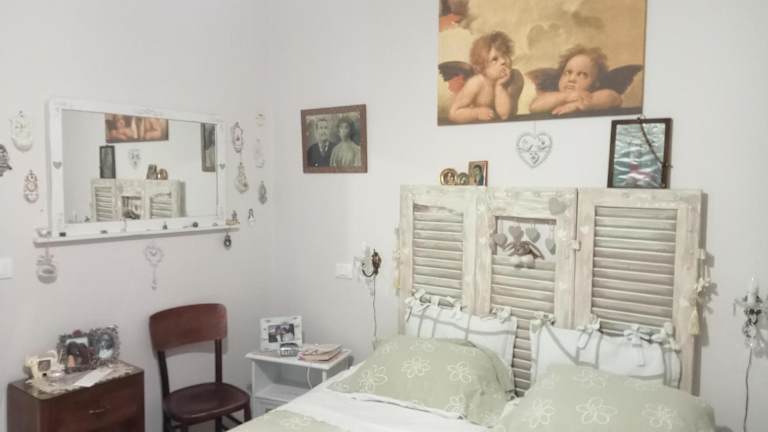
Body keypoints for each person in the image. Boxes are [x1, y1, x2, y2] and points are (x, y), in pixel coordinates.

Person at [448, 31, 524, 123]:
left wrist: (500, 86)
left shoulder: (515, 78)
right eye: (495, 59)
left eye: (505, 55)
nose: (503, 61)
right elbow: (453, 113)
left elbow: (505, 115)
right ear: (482, 67)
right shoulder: (476, 83)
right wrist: (476, 113)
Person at [529, 45, 622, 115]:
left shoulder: (595, 96)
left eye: (582, 75)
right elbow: (534, 106)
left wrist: (578, 105)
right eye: (568, 72)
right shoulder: (553, 97)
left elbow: (614, 98)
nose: (572, 79)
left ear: (596, 83)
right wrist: (567, 96)